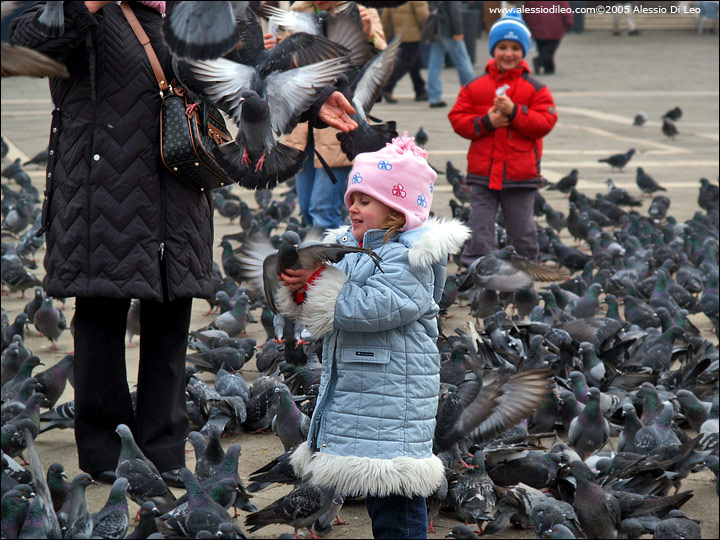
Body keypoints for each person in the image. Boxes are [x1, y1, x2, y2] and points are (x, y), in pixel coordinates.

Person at [8, 0, 357, 485]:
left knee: (171, 320)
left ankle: (164, 448)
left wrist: (313, 103)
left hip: (178, 192)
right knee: (103, 319)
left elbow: (243, 83)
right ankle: (107, 451)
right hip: (101, 195)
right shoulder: (91, 12)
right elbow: (22, 41)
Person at [276, 135, 470, 539]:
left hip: (392, 404)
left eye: (366, 200)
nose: (353, 207)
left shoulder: (411, 258)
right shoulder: (349, 247)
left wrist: (321, 283)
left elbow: (373, 306)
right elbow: (329, 309)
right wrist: (302, 286)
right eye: (352, 198)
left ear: (397, 210)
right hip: (367, 396)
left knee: (396, 503)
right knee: (384, 501)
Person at [448, 9, 558, 266]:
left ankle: (526, 270)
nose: (508, 53)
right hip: (483, 173)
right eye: (502, 47)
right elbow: (458, 119)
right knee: (480, 227)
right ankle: (478, 270)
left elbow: (544, 122)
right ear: (492, 50)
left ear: (524, 51)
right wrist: (486, 122)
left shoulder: (536, 88)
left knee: (522, 228)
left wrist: (515, 112)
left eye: (515, 48)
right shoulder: (475, 87)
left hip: (521, 174)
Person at [284, 1, 387, 230]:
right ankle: (327, 258)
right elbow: (286, 71)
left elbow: (379, 70)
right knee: (307, 210)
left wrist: (368, 36)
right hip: (302, 126)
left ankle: (330, 263)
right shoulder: (299, 11)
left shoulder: (362, 10)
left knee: (323, 211)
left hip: (340, 126)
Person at [426, 1, 475, 108]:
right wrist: (458, 31)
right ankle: (472, 94)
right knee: (463, 61)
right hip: (449, 29)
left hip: (435, 28)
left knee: (435, 64)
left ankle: (434, 97)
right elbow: (454, 10)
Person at [380, 1, 429, 103]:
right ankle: (388, 86)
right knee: (406, 62)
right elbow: (422, 14)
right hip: (413, 34)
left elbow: (385, 16)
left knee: (415, 62)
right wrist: (428, 31)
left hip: (401, 33)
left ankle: (420, 90)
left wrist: (385, 33)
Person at [522, 1, 574, 75]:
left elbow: (526, 11)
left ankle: (549, 68)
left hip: (536, 25)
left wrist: (527, 23)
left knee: (542, 47)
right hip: (554, 25)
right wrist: (569, 22)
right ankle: (539, 61)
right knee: (551, 47)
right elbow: (565, 9)